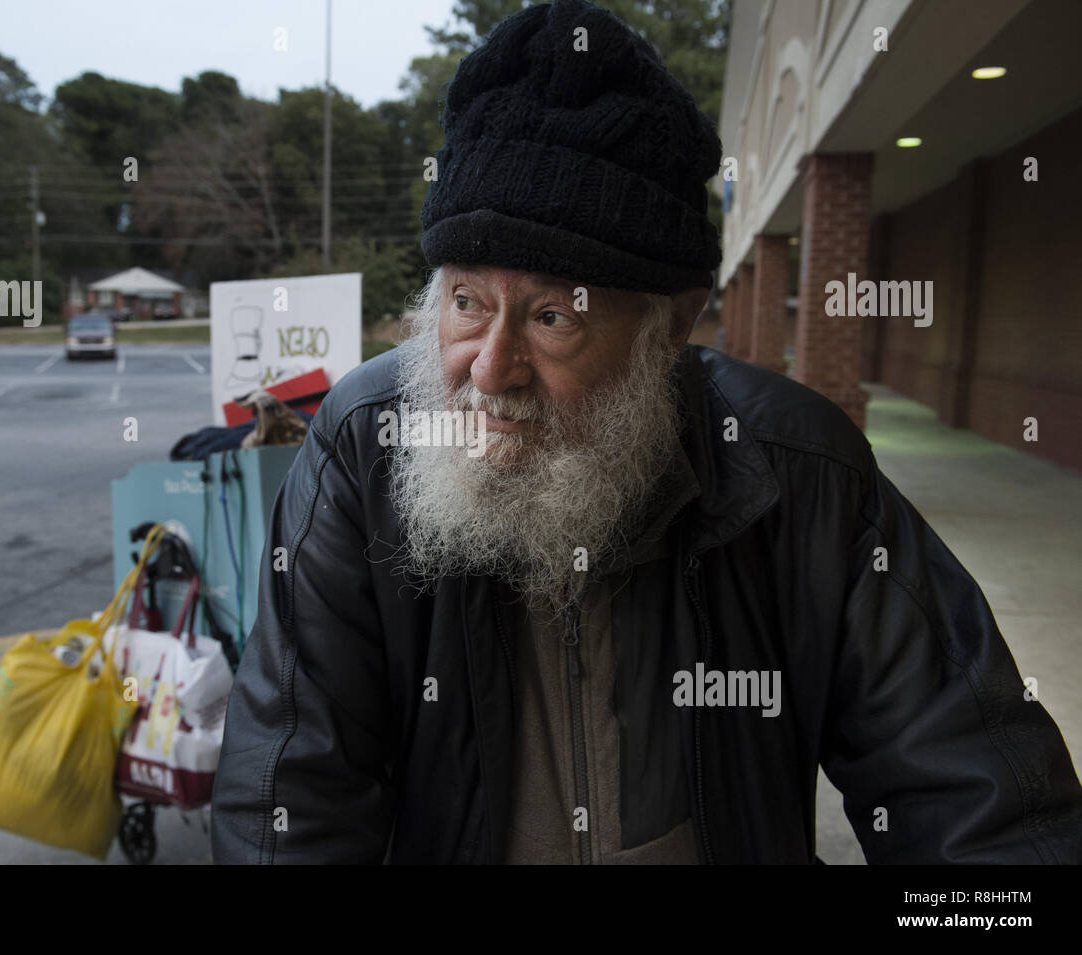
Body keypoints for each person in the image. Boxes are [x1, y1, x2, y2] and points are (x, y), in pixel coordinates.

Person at [210, 0, 1082, 863]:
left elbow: (988, 810)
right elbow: (289, 804)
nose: (488, 370)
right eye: (468, 302)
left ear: (670, 328)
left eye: (553, 316)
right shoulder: (365, 451)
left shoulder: (799, 474)